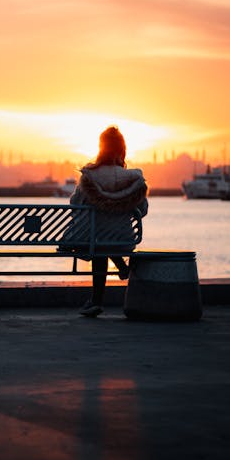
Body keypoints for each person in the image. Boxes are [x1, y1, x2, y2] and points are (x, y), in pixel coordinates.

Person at [69, 125, 148, 317]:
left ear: (101, 148)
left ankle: (96, 301)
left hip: (92, 239)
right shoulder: (133, 178)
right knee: (104, 241)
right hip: (124, 238)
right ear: (122, 150)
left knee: (98, 244)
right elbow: (143, 210)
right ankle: (120, 266)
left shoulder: (89, 176)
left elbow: (75, 205)